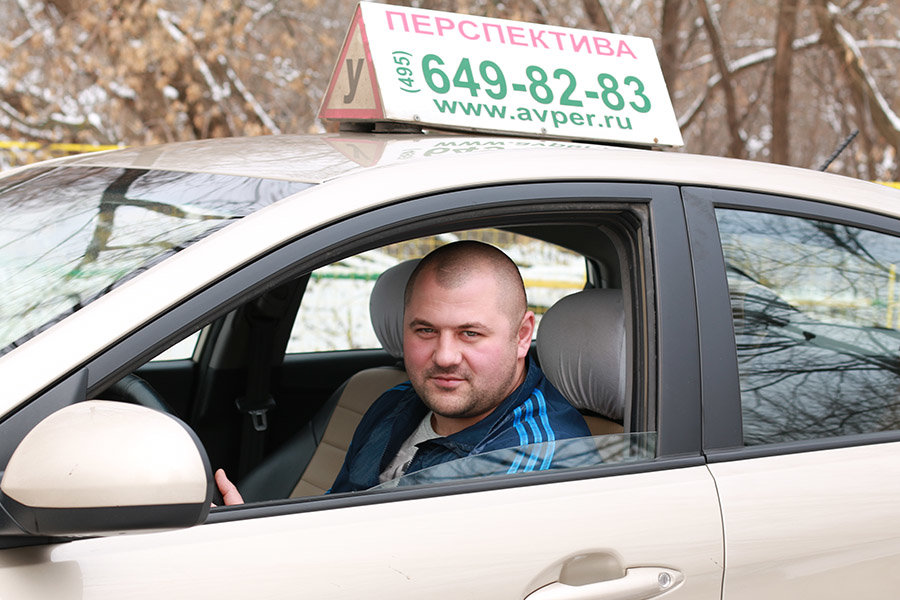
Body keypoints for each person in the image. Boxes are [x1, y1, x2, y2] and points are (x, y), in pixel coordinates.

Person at [215, 240, 590, 503]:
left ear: (522, 335)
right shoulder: (393, 404)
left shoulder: (536, 459)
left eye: (470, 333)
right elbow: (339, 514)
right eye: (425, 330)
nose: (444, 356)